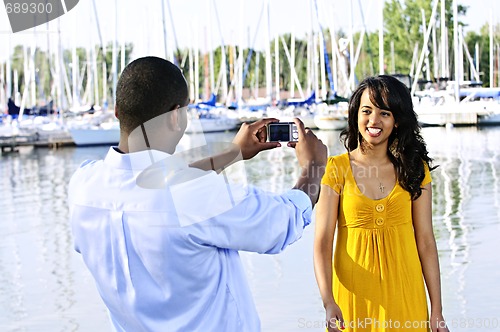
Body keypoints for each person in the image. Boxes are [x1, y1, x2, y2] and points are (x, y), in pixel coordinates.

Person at [68, 56, 327, 331]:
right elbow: (280, 223)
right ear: (176, 116)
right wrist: (313, 167)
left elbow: (151, 183)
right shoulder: (193, 195)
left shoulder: (83, 185)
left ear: (119, 111)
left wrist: (231, 154)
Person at [314, 75, 449, 332]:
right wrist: (328, 301)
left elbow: (426, 241)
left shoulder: (415, 170)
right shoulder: (335, 169)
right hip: (353, 302)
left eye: (384, 113)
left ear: (397, 121)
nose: (374, 121)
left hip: (406, 298)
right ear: (356, 115)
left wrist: (437, 310)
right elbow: (322, 242)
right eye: (367, 111)